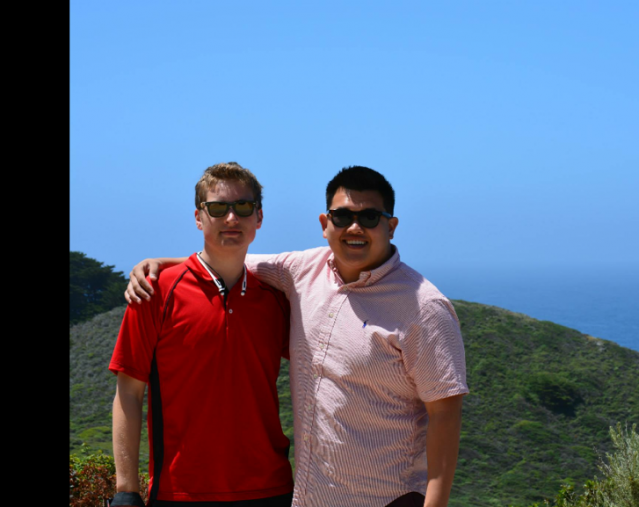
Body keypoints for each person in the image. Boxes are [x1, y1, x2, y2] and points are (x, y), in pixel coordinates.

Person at [125, 166, 468, 507]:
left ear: (391, 227)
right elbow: (229, 257)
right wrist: (161, 264)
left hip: (387, 497)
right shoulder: (300, 270)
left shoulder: (424, 307)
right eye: (342, 215)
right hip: (308, 497)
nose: (354, 227)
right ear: (324, 225)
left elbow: (445, 416)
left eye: (370, 217)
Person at [109, 162, 294, 507]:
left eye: (243, 207)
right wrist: (126, 490)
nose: (231, 218)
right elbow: (128, 392)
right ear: (198, 217)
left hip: (271, 487)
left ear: (259, 217)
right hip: (180, 490)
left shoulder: (276, 298)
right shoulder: (155, 292)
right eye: (217, 208)